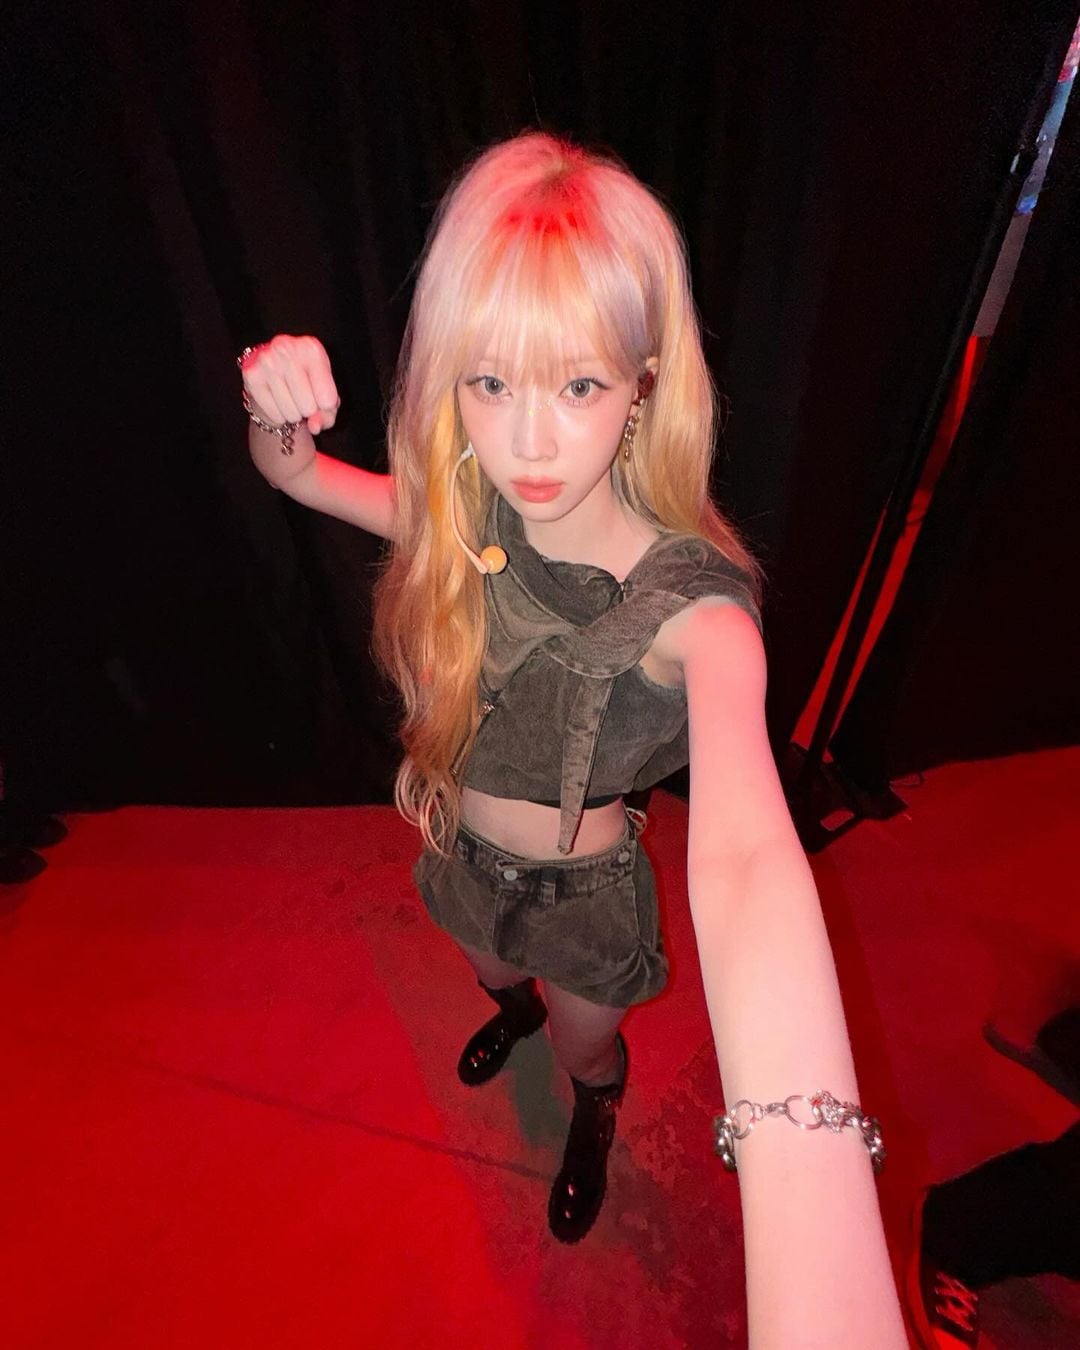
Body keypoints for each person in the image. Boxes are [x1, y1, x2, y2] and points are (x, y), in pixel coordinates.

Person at [240, 132, 905, 1345]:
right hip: (459, 852)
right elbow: (298, 479)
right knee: (493, 977)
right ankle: (514, 1013)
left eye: (579, 387)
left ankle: (593, 1111)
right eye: (490, 384)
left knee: (592, 1050)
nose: (529, 445)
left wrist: (811, 1174)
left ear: (645, 383)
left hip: (583, 896)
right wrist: (271, 410)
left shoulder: (696, 608)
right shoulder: (466, 512)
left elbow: (750, 863)